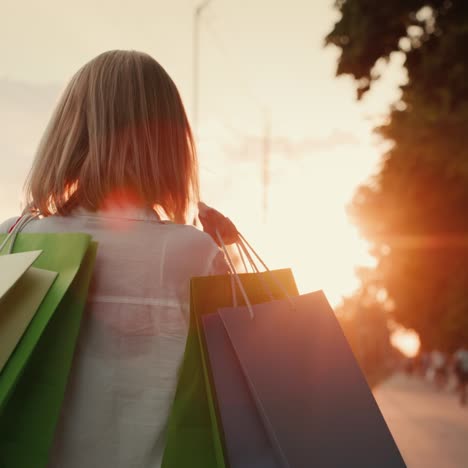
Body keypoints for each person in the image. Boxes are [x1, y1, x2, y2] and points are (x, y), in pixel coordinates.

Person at [0, 50, 235, 468]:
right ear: (170, 141)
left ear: (69, 131)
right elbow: (235, 397)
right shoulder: (194, 255)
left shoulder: (14, 242)